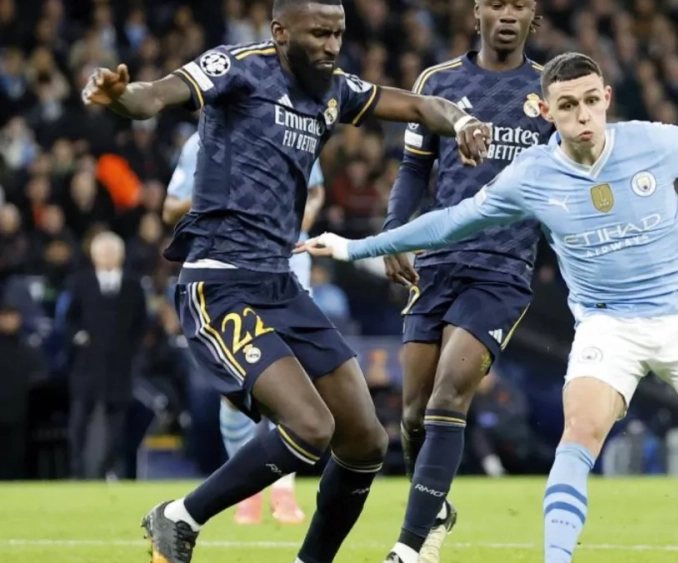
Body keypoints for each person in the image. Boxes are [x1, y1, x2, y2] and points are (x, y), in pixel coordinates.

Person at [296, 52, 678, 559]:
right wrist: (353, 246)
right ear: (545, 111)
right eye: (567, 105)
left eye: (590, 101)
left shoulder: (652, 142)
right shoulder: (533, 176)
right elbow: (449, 220)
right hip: (608, 326)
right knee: (578, 436)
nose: (583, 115)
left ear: (606, 98)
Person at [81, 0, 492, 561]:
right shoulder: (240, 67)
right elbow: (153, 96)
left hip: (280, 284)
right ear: (279, 32)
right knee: (309, 427)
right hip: (218, 282)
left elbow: (420, 105)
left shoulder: (336, 90)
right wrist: (121, 96)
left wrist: (464, 120)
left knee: (366, 441)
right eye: (319, 33)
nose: (331, 45)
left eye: (339, 33)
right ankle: (179, 516)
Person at [378, 1, 551, 561]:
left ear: (534, 18)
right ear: (476, 13)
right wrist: (394, 231)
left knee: (450, 394)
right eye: (496, 4)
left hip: (502, 270)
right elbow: (413, 169)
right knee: (411, 413)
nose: (507, 15)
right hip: (437, 262)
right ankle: (434, 510)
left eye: (519, 5)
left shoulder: (550, 91)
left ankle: (408, 548)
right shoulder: (439, 82)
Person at [163, 130, 327, 524]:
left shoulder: (290, 125)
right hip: (230, 269)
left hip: (288, 265)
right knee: (239, 391)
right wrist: (218, 195)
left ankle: (283, 492)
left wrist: (307, 212)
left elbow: (316, 188)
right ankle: (246, 488)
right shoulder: (200, 144)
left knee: (293, 380)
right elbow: (170, 210)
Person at [65, 231, 148, 480]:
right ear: (93, 255)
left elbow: (141, 322)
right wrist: (79, 338)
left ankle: (110, 470)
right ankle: (76, 471)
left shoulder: (133, 284)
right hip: (87, 364)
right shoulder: (81, 282)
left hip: (120, 365)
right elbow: (70, 318)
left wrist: (131, 350)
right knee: (79, 417)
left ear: (121, 255)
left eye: (113, 252)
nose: (108, 257)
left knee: (118, 420)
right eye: (103, 252)